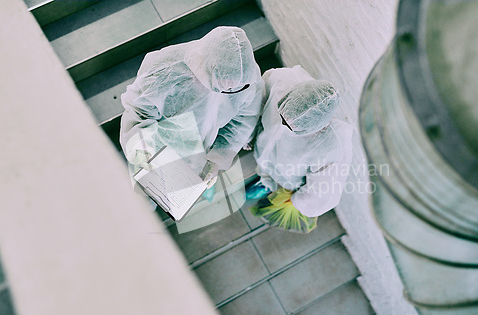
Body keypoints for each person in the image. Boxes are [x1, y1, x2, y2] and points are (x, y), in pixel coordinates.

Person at [120, 26, 263, 200]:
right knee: (144, 198)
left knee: (176, 197)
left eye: (233, 89)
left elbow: (242, 120)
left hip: (198, 152)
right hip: (157, 148)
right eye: (222, 87)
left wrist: (216, 160)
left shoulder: (246, 79)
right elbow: (138, 112)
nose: (229, 92)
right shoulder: (164, 70)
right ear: (203, 66)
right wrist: (142, 151)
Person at [248, 65, 353, 233]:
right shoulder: (282, 79)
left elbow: (323, 194)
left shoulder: (332, 147)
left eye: (292, 127)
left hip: (288, 175)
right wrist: (249, 132)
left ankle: (268, 185)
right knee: (265, 162)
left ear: (318, 127)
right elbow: (258, 96)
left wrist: (295, 201)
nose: (284, 125)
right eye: (283, 117)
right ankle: (264, 180)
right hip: (266, 147)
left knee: (277, 178)